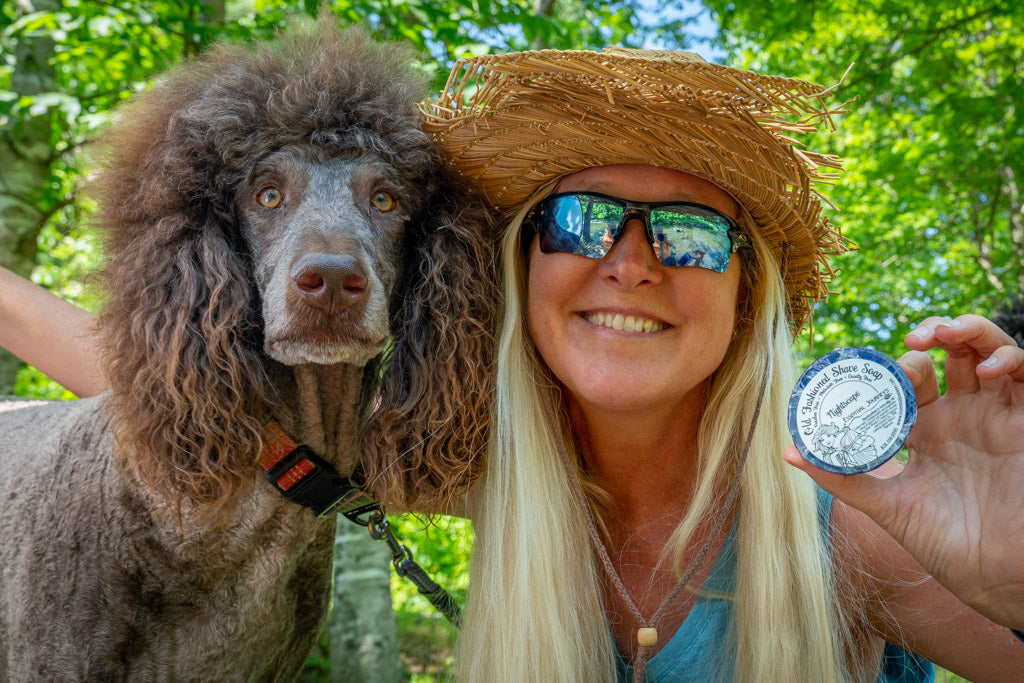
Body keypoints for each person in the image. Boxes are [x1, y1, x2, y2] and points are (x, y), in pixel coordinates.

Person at [1, 46, 1023, 681]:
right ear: (521, 270)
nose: (629, 260)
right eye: (580, 222)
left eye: (690, 235)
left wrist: (1005, 572)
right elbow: (157, 375)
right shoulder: (473, 467)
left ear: (746, 294)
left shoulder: (852, 523)